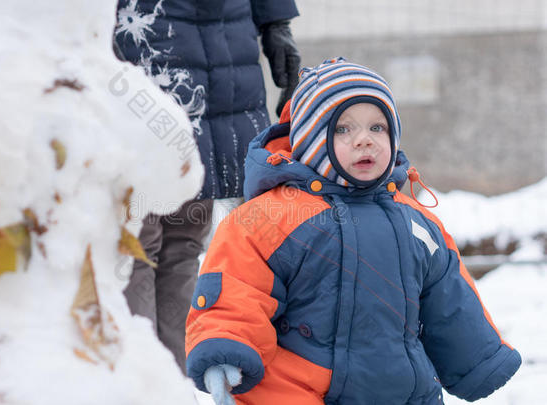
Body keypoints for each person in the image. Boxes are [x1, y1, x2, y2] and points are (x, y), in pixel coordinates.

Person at [185, 58, 522, 405]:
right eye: (343, 129)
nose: (365, 140)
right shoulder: (271, 216)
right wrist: (225, 347)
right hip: (296, 389)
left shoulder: (417, 223)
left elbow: (450, 301)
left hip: (402, 392)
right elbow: (236, 289)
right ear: (312, 141)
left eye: (378, 128)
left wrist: (479, 362)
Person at [112, 0, 300, 374]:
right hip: (157, 45)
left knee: (161, 245)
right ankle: (154, 386)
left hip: (196, 43)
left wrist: (276, 22)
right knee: (148, 243)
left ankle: (164, 387)